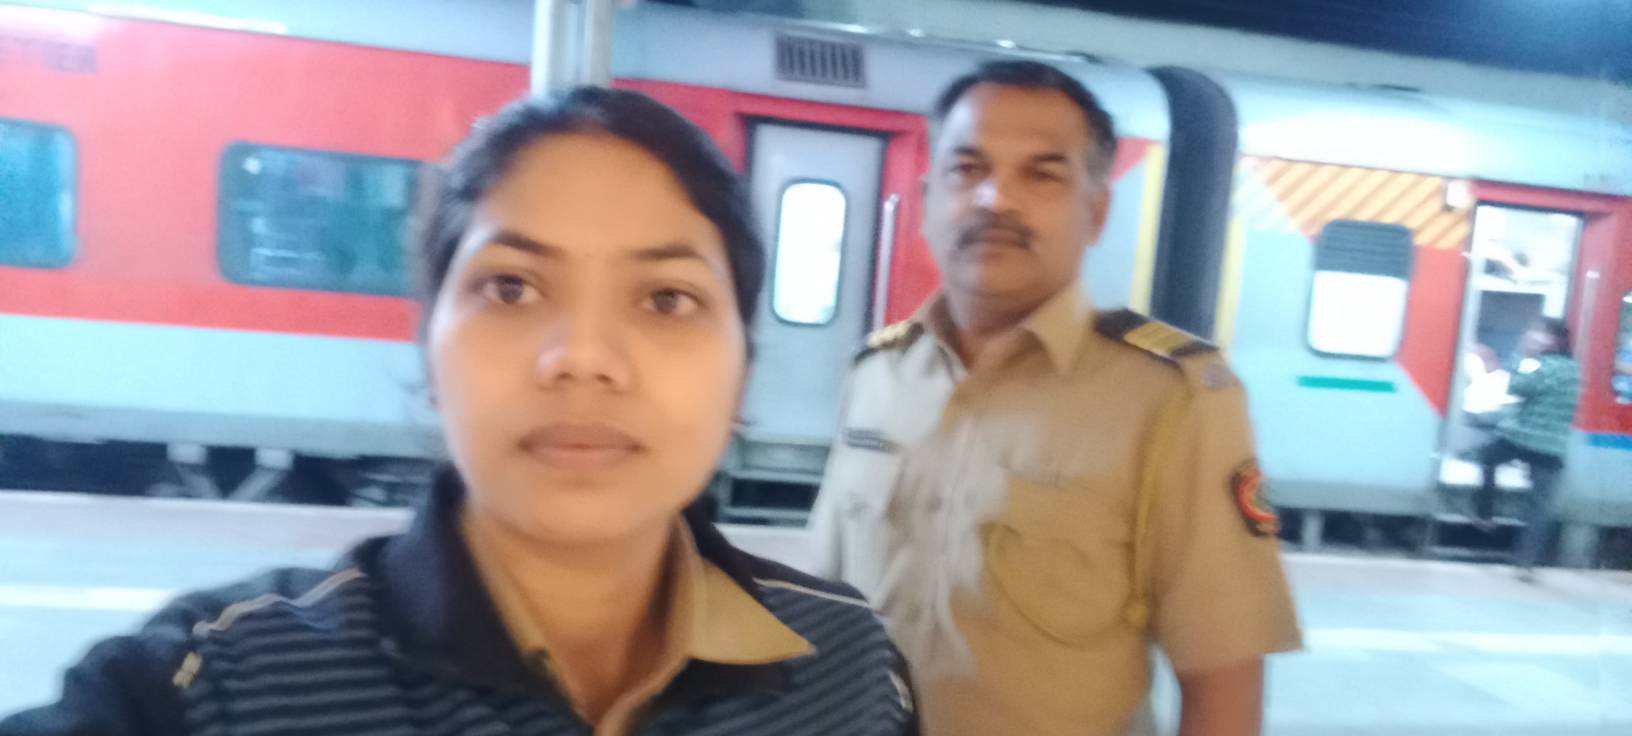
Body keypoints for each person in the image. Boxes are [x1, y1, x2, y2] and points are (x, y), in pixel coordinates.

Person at [2, 88, 917, 735]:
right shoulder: (215, 687)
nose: (582, 357)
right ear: (429, 348)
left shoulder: (847, 669)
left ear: (742, 370)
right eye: (511, 287)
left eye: (667, 299)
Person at [808, 60, 1300, 736]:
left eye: (1041, 175)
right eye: (967, 169)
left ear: (1094, 213)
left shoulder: (1169, 400)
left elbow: (1223, 682)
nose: (994, 199)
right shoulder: (877, 374)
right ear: (927, 200)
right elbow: (821, 614)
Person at [1473, 317, 1582, 580]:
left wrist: (1521, 355)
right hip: (1553, 448)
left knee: (1487, 458)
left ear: (1556, 340)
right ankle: (1525, 563)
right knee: (1538, 507)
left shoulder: (1548, 367)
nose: (1534, 337)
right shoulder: (1572, 368)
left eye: (1540, 333)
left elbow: (1516, 387)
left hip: (1524, 439)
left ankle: (1485, 514)